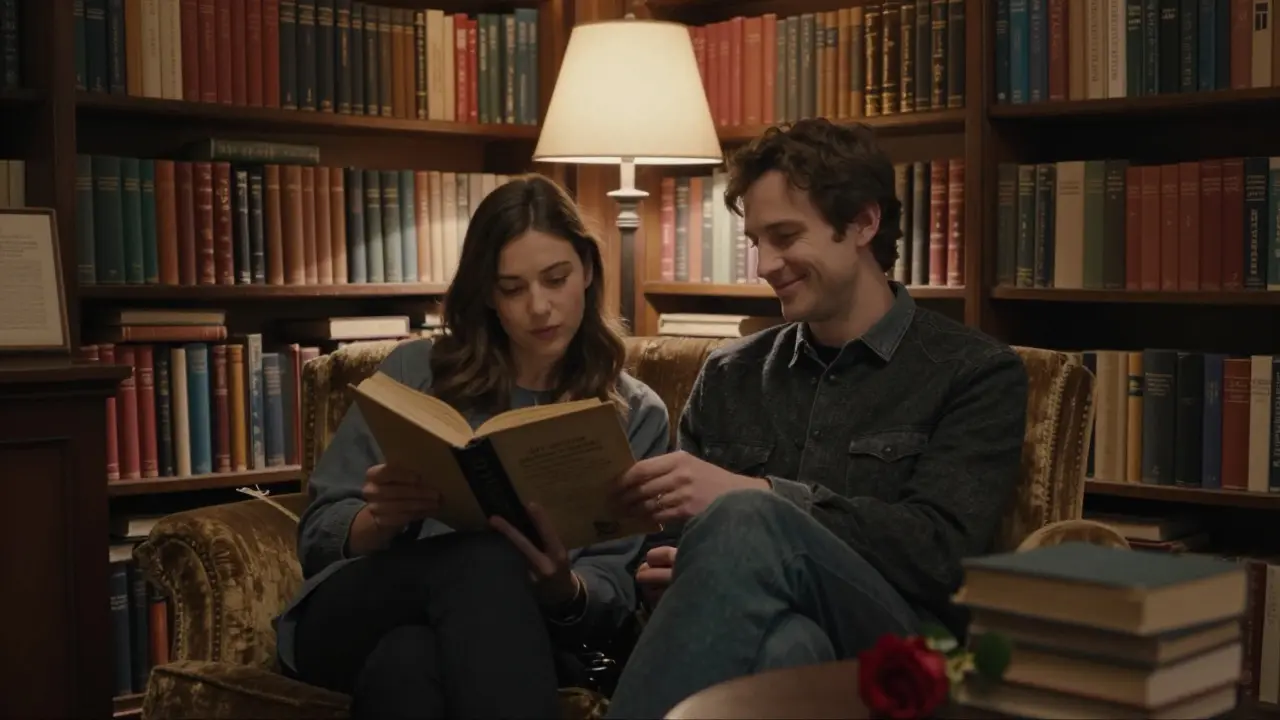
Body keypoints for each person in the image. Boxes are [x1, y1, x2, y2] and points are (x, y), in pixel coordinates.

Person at [606, 119, 1029, 718]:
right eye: (756, 240)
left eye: (785, 236)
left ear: (863, 222)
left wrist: (762, 498)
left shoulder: (975, 371)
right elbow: (669, 547)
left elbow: (939, 554)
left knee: (747, 516)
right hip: (776, 638)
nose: (764, 264)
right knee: (787, 647)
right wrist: (690, 569)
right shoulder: (729, 374)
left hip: (907, 653)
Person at [273, 173, 670, 720]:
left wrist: (561, 584)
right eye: (512, 288)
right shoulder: (413, 372)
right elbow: (317, 536)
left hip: (523, 633)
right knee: (484, 557)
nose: (539, 307)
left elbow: (612, 596)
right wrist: (377, 521)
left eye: (556, 279)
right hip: (361, 611)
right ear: (486, 293)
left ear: (589, 271)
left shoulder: (634, 412)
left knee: (407, 664)